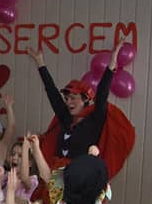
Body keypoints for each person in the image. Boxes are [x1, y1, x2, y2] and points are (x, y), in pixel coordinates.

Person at [25, 43, 135, 180]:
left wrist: (112, 61)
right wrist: (40, 62)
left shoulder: (95, 120)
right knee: (47, 191)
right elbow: (52, 92)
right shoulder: (65, 119)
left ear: (85, 99)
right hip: (57, 179)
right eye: (66, 99)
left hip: (80, 180)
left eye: (73, 98)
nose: (68, 102)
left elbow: (102, 92)